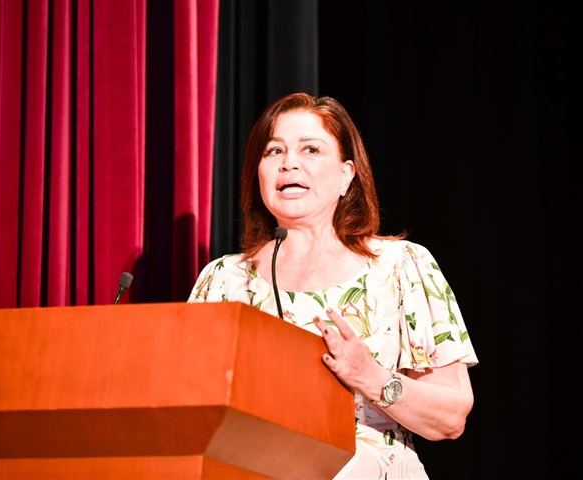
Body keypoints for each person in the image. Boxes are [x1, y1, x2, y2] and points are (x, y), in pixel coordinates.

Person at [188, 92, 478, 479]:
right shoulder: (223, 280)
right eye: (274, 151)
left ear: (346, 175)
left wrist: (371, 377)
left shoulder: (401, 266)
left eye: (311, 149)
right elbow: (188, 405)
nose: (289, 163)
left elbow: (451, 418)